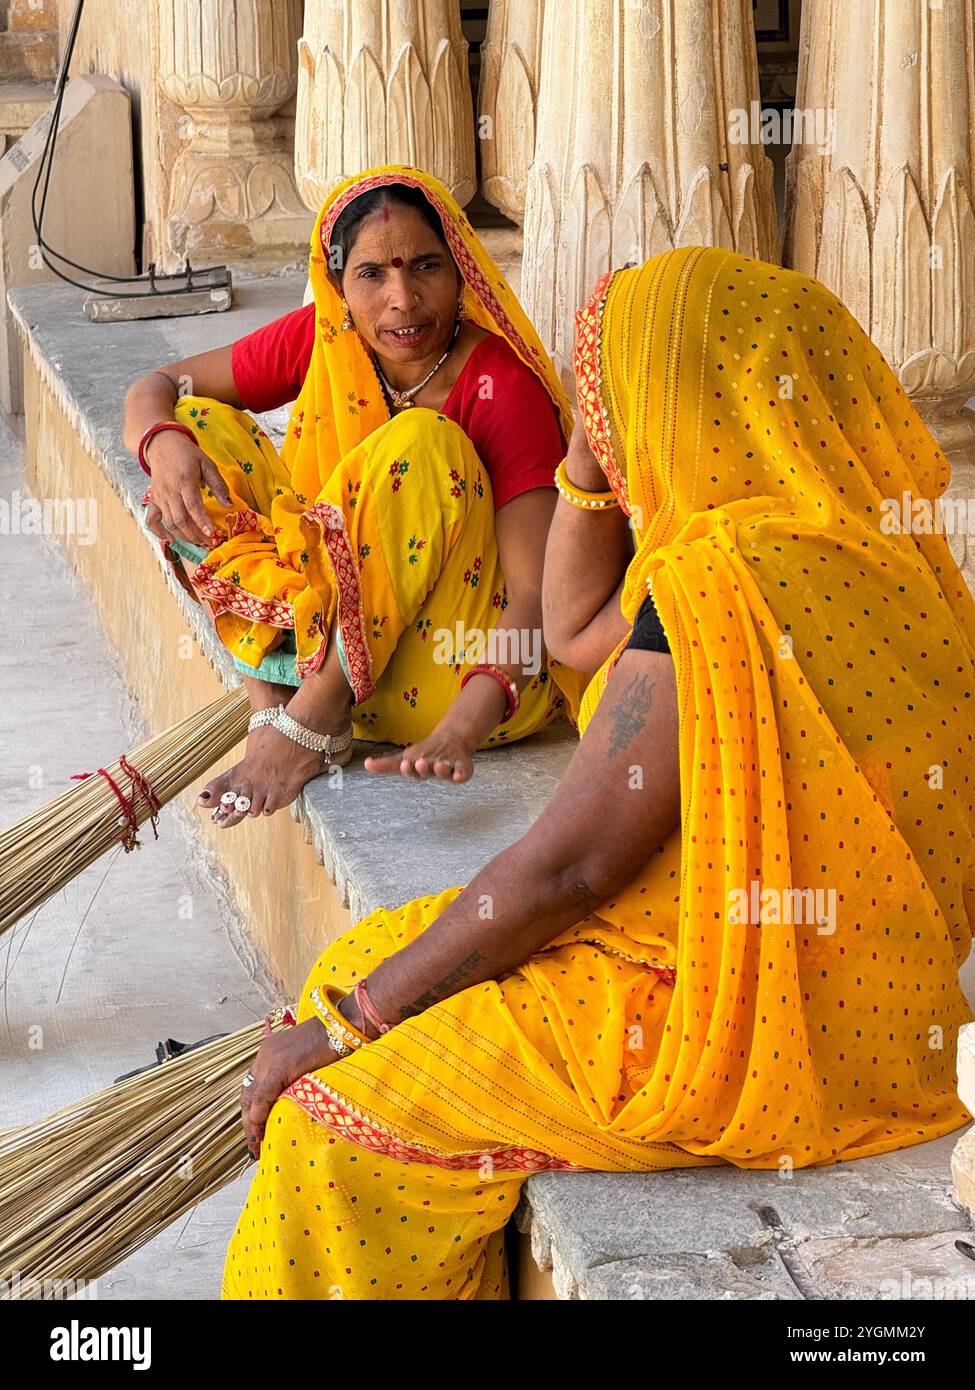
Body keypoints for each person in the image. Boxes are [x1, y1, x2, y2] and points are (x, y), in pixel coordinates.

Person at [222, 247, 975, 1299]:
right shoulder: (887, 554)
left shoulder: (716, 589)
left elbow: (567, 871)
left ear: (682, 397)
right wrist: (587, 463)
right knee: (367, 949)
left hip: (735, 1024)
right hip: (874, 1005)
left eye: (615, 400)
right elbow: (573, 627)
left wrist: (348, 1026)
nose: (607, 429)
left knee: (331, 1124)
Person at [123, 165, 583, 828]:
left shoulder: (496, 386)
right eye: (372, 274)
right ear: (336, 284)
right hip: (322, 643)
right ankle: (271, 707)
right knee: (196, 426)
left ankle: (311, 718)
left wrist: (464, 722)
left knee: (422, 441)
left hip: (454, 680)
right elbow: (157, 384)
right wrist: (159, 446)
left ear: (461, 274)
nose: (402, 299)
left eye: (425, 266)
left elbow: (537, 596)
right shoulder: (328, 339)